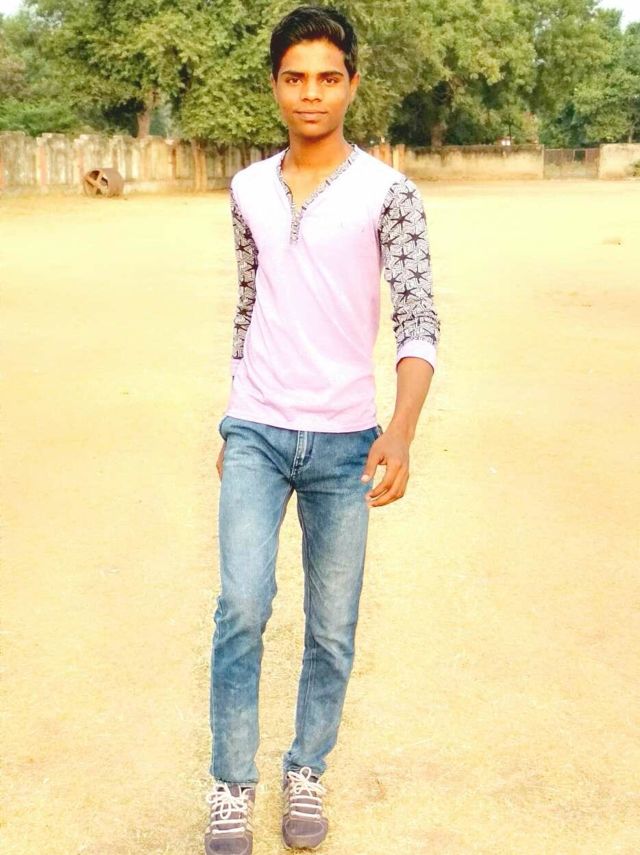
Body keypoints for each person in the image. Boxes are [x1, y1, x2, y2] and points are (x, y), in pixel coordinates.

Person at [204, 5, 441, 853]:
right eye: (296, 77)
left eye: (328, 78)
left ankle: (307, 768)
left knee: (332, 628)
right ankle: (231, 785)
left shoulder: (390, 193)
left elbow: (418, 319)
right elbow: (249, 308)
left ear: (352, 85)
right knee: (242, 606)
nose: (312, 93)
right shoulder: (247, 189)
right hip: (259, 431)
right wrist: (235, 417)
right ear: (275, 86)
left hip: (345, 443)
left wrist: (400, 432)